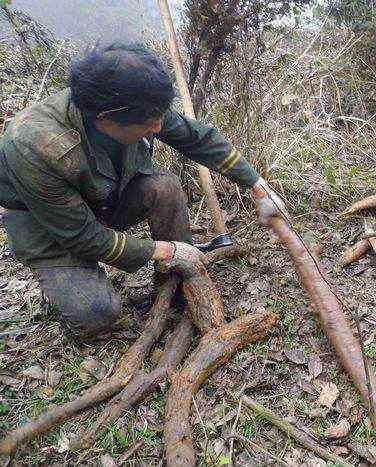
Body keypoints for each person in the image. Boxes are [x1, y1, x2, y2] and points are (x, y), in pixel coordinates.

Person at [0, 43, 287, 339]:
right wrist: (165, 250)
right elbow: (81, 236)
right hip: (52, 228)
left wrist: (256, 185)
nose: (159, 127)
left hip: (103, 200)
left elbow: (197, 139)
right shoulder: (33, 145)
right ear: (106, 119)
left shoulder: (135, 102)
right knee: (97, 315)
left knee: (164, 186)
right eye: (149, 124)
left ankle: (174, 282)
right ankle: (61, 285)